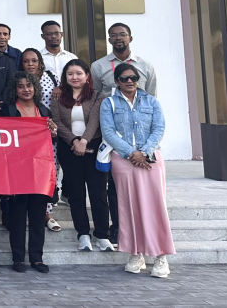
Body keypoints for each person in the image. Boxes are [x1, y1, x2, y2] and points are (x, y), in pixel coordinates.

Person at [100, 62, 175, 278]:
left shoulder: (152, 101)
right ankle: (136, 253)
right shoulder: (108, 104)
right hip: (123, 161)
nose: (130, 81)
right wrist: (132, 153)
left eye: (133, 77)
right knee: (128, 207)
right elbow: (108, 132)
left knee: (155, 206)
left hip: (150, 159)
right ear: (117, 82)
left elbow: (159, 128)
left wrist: (144, 152)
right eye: (124, 78)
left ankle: (161, 256)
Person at [50, 59, 113, 253]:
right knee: (76, 194)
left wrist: (83, 141)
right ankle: (83, 234)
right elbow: (56, 121)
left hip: (94, 148)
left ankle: (102, 235)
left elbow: (95, 121)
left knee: (98, 194)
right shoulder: (58, 96)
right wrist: (74, 141)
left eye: (79, 73)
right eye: (70, 74)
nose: (74, 77)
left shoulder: (97, 96)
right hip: (69, 149)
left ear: (87, 76)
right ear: (65, 77)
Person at [1, 71, 57, 273]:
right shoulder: (7, 110)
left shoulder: (43, 110)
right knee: (17, 217)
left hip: (39, 170)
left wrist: (53, 132)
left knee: (37, 215)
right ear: (14, 90)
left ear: (35, 88)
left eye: (29, 85)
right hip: (16, 169)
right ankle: (18, 258)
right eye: (21, 86)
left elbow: (50, 140)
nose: (26, 89)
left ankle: (37, 258)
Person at [20, 47, 62, 232]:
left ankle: (47, 213)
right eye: (26, 61)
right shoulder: (19, 80)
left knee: (49, 171)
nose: (30, 64)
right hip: (25, 136)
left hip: (48, 132)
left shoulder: (51, 77)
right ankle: (28, 211)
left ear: (40, 62)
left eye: (34, 60)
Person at [93, 23, 157, 98]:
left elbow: (152, 98)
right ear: (109, 40)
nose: (118, 38)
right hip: (110, 105)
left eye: (122, 34)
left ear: (130, 38)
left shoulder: (147, 66)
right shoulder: (98, 66)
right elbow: (95, 97)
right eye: (113, 35)